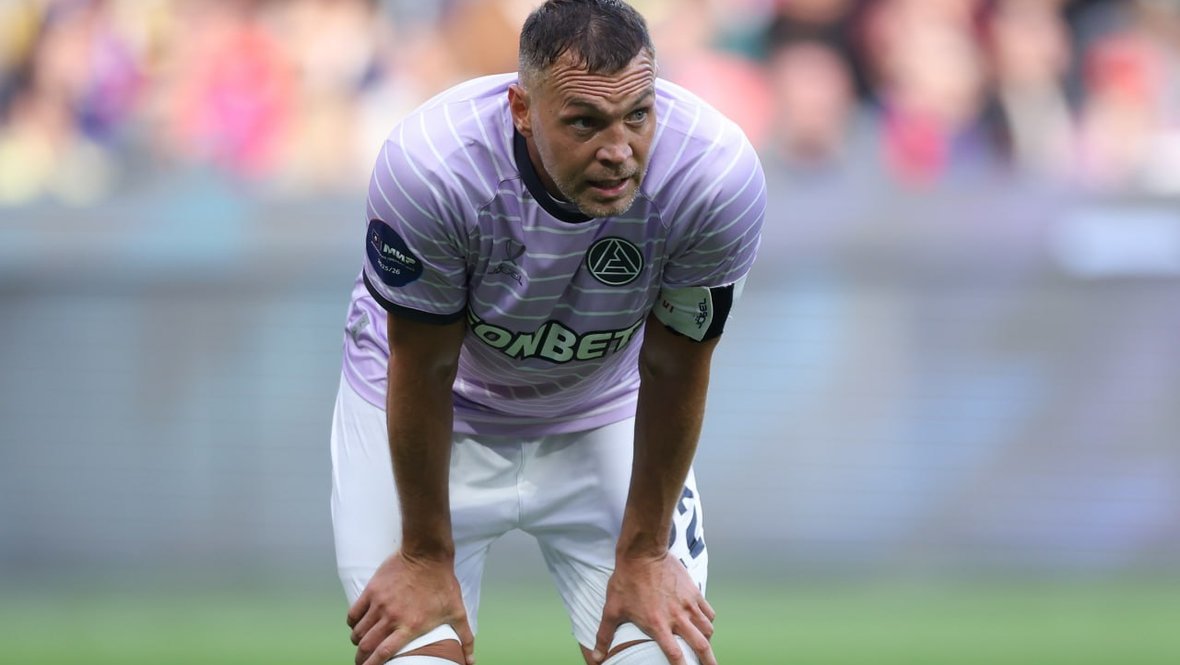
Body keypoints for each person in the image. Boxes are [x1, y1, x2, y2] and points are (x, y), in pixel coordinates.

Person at [330, 1, 765, 664]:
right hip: (438, 414)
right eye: (585, 121)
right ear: (522, 109)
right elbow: (425, 367)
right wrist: (422, 554)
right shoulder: (431, 168)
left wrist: (647, 551)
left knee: (661, 651)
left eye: (637, 115)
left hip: (602, 410)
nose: (618, 151)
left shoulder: (714, 177)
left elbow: (676, 364)